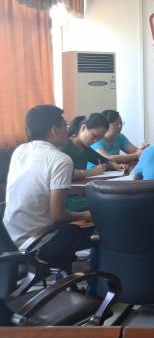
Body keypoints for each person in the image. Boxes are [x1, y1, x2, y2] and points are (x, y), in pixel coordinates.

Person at [3, 105, 92, 271]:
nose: (67, 130)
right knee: (94, 228)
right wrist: (86, 215)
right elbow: (58, 215)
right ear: (53, 130)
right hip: (37, 245)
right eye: (64, 126)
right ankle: (93, 280)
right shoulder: (61, 160)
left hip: (8, 242)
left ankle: (66, 275)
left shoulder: (20, 150)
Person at [60, 114, 123, 181]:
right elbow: (64, 172)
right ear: (83, 128)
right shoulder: (64, 145)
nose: (96, 141)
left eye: (99, 138)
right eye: (94, 135)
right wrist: (92, 172)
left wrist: (113, 165)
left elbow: (102, 160)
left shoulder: (85, 148)